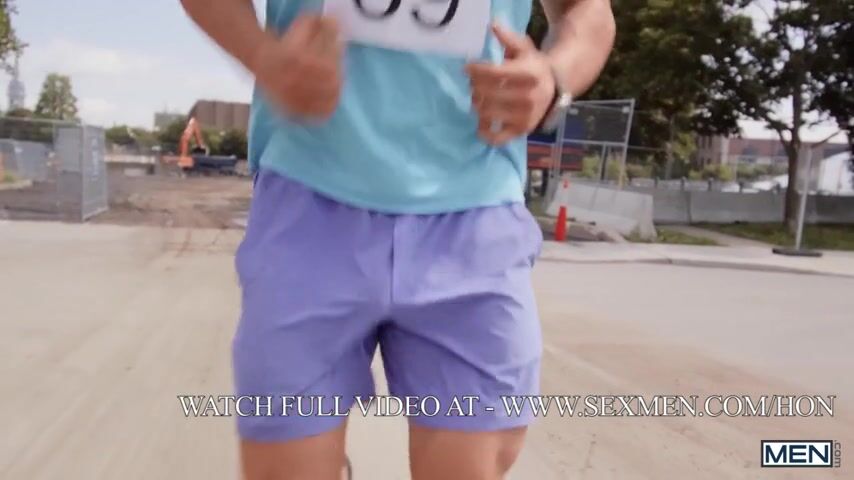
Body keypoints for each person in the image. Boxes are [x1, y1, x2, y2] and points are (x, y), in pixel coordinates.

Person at [180, 0, 615, 478]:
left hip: (474, 212)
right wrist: (263, 55)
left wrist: (554, 78)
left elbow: (586, 10)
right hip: (309, 195)